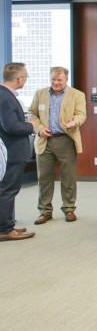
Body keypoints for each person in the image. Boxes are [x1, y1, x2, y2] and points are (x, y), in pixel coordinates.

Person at [29, 66, 87, 224]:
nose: (56, 82)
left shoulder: (77, 94)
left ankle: (69, 209)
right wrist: (39, 129)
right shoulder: (40, 94)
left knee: (68, 176)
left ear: (66, 79)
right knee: (44, 177)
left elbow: (81, 114)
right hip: (44, 140)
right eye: (53, 79)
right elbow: (32, 114)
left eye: (59, 80)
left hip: (66, 139)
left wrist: (75, 121)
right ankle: (45, 211)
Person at [0, 62, 36, 242]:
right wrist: (31, 126)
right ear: (19, 78)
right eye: (26, 76)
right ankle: (5, 229)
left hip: (9, 151)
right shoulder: (5, 97)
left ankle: (8, 224)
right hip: (11, 151)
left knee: (7, 189)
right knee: (8, 190)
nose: (26, 79)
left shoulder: (5, 95)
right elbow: (11, 126)